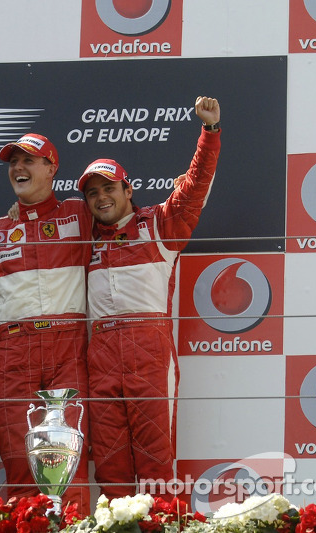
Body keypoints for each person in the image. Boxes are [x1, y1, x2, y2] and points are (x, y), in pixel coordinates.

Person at [79, 96, 221, 498]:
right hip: (101, 351)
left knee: (156, 464)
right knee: (109, 468)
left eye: (109, 188)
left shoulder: (159, 224)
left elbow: (194, 190)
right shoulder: (81, 238)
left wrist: (209, 134)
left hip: (149, 350)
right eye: (92, 193)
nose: (101, 198)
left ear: (128, 188)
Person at [0, 134, 91, 511]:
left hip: (67, 347)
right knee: (18, 460)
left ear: (52, 168)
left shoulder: (82, 213)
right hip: (14, 351)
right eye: (13, 162)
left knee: (67, 462)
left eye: (29, 161)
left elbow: (121, 210)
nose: (18, 168)